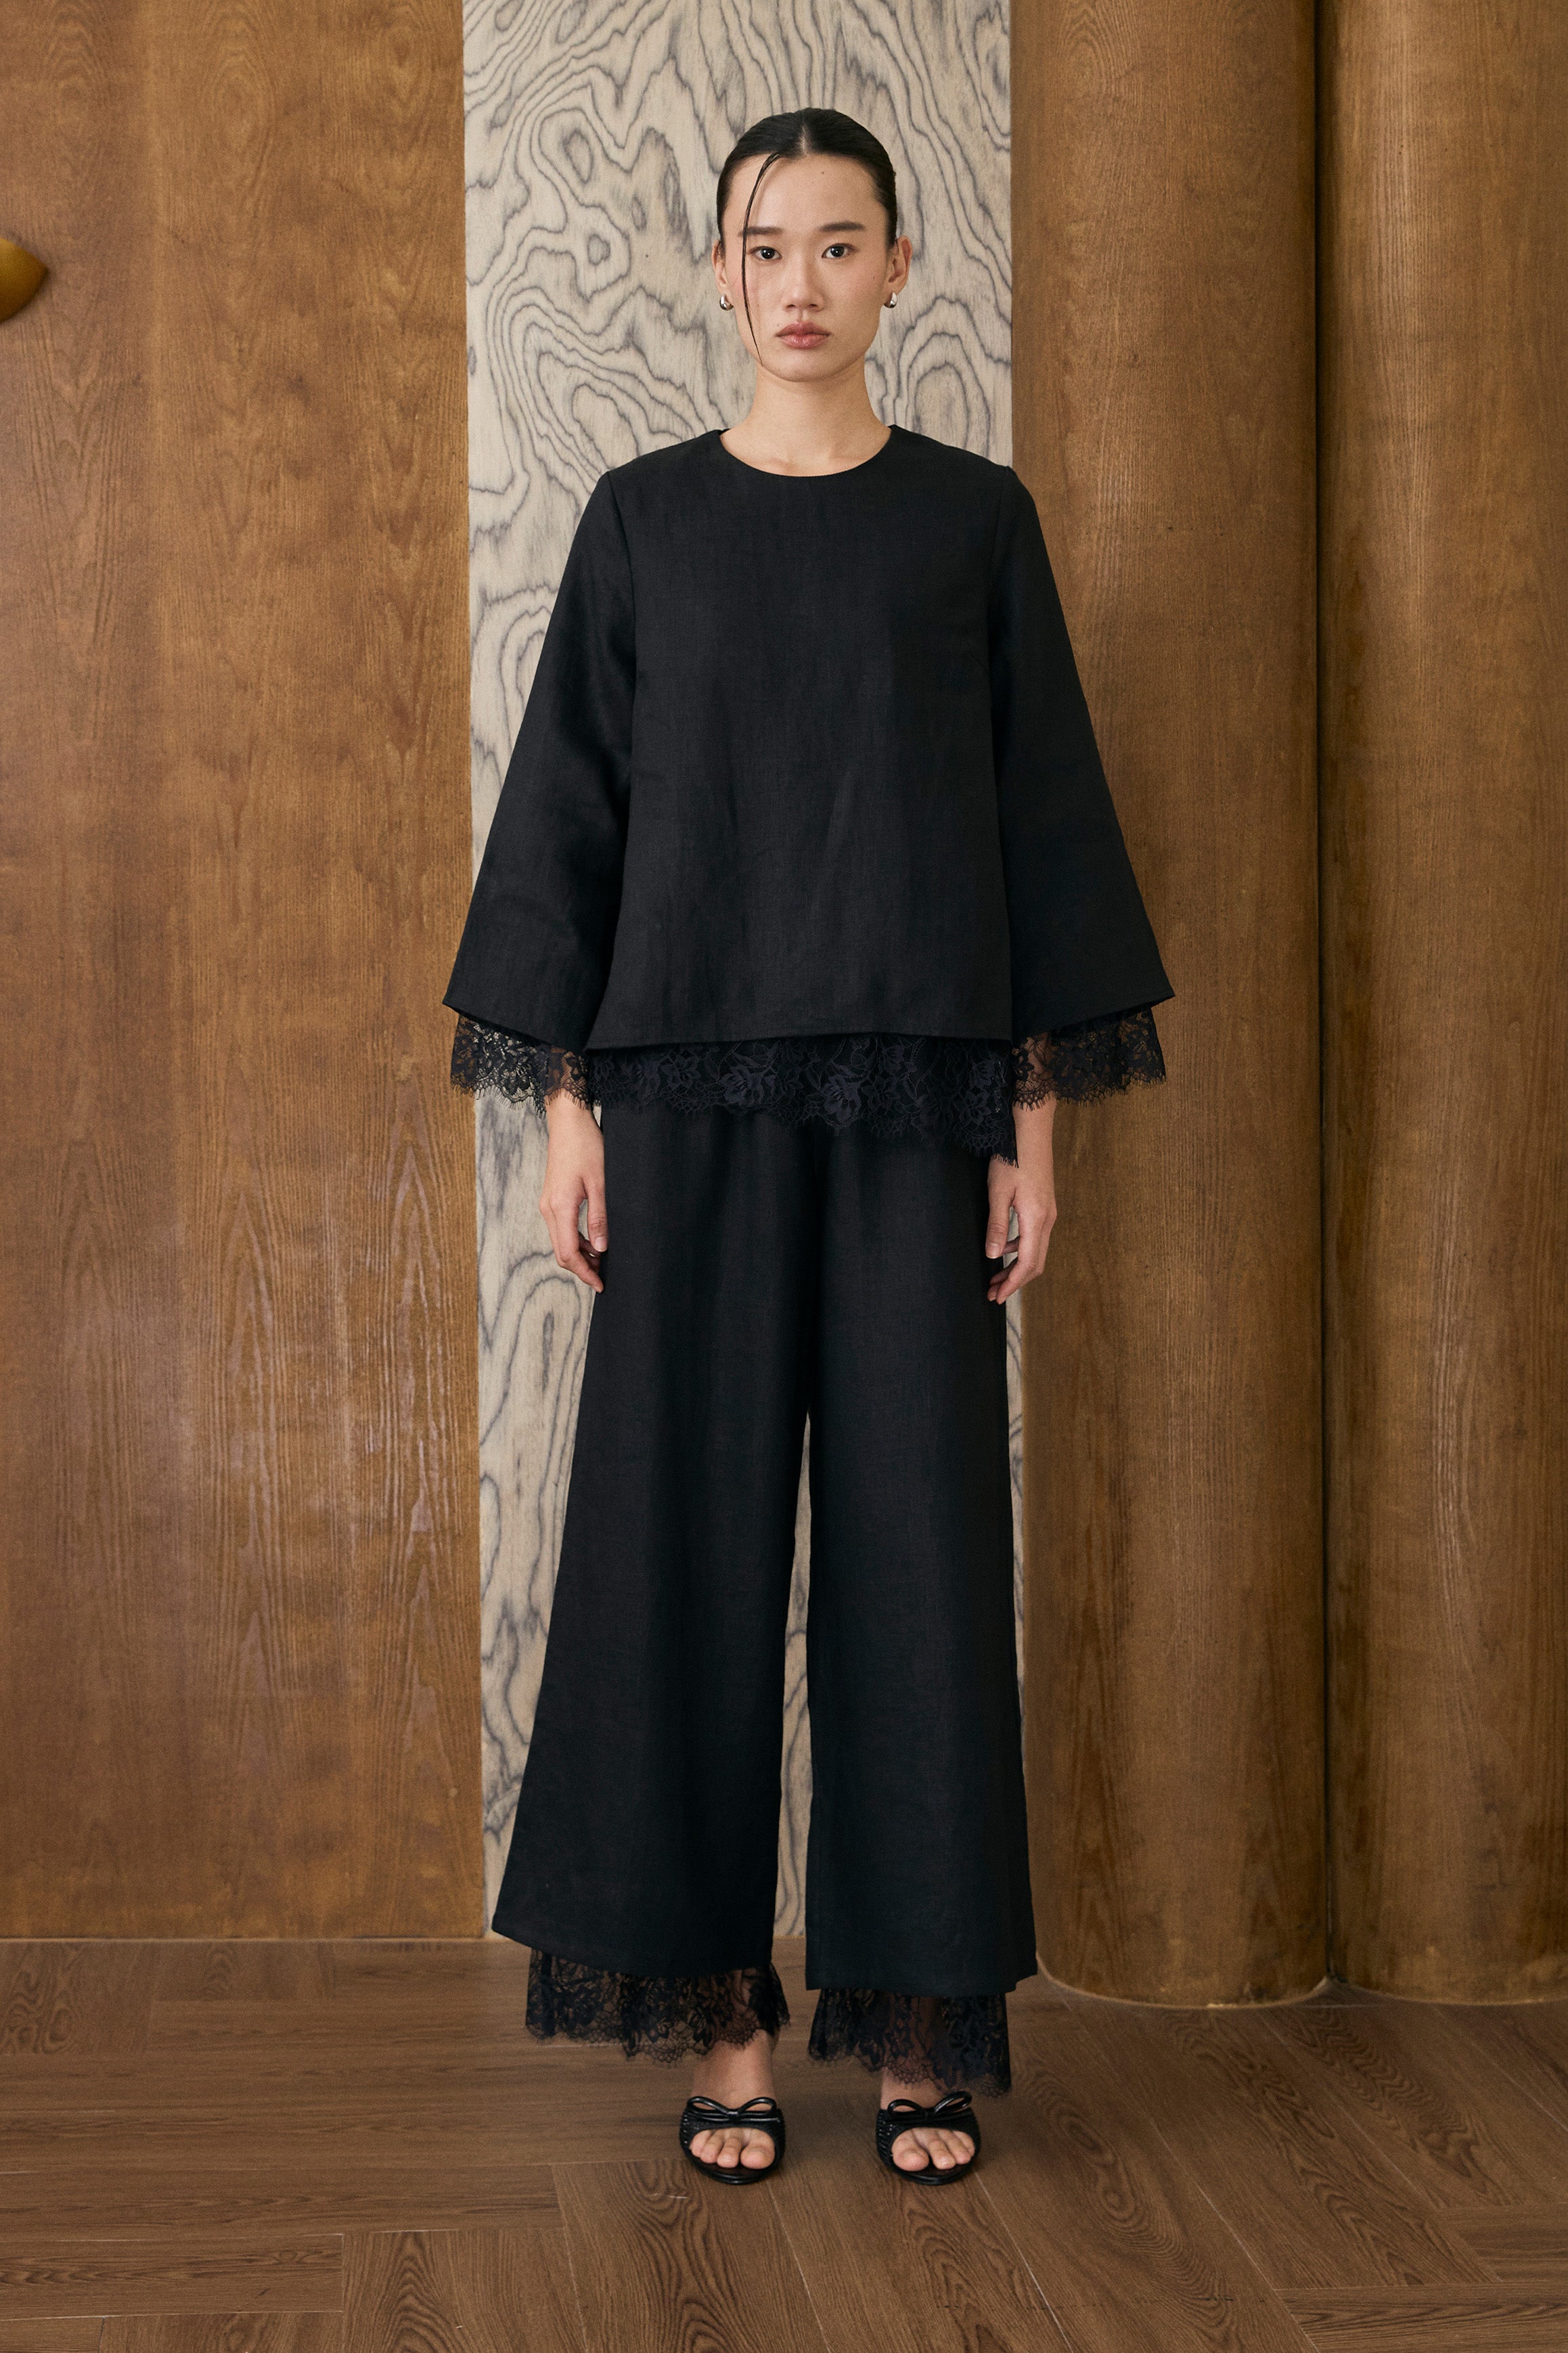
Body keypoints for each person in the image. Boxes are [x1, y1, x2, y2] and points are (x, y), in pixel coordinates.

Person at [445, 106, 1173, 2187]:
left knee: (919, 1555)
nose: (799, 283)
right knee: (674, 1547)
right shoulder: (644, 521)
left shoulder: (973, 523)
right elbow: (570, 819)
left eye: (838, 245)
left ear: (899, 267)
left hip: (919, 1100)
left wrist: (1031, 1125)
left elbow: (1039, 821)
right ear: (719, 269)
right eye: (765, 245)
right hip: (681, 1098)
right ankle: (725, 2018)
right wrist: (570, 1109)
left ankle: (920, 2022)